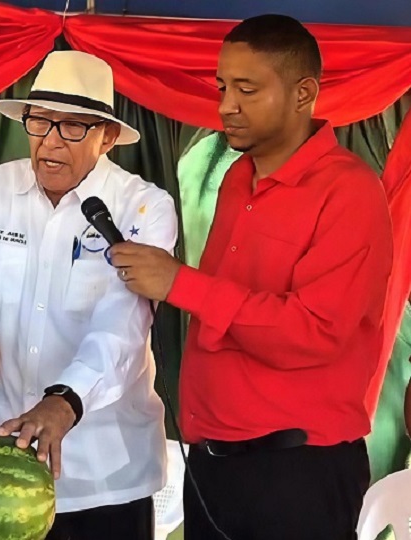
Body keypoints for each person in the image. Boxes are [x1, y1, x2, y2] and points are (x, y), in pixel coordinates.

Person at [109, 14, 392, 540]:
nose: (224, 106)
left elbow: (315, 331)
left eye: (247, 89)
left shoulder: (349, 192)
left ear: (303, 93)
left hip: (296, 470)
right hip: (215, 464)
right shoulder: (238, 179)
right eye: (221, 87)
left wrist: (180, 284)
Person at [0, 50, 177, 540]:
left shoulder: (144, 207)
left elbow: (123, 326)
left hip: (103, 475)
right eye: (39, 122)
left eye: (71, 127)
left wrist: (66, 401)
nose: (49, 142)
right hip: (1, 465)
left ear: (107, 136)